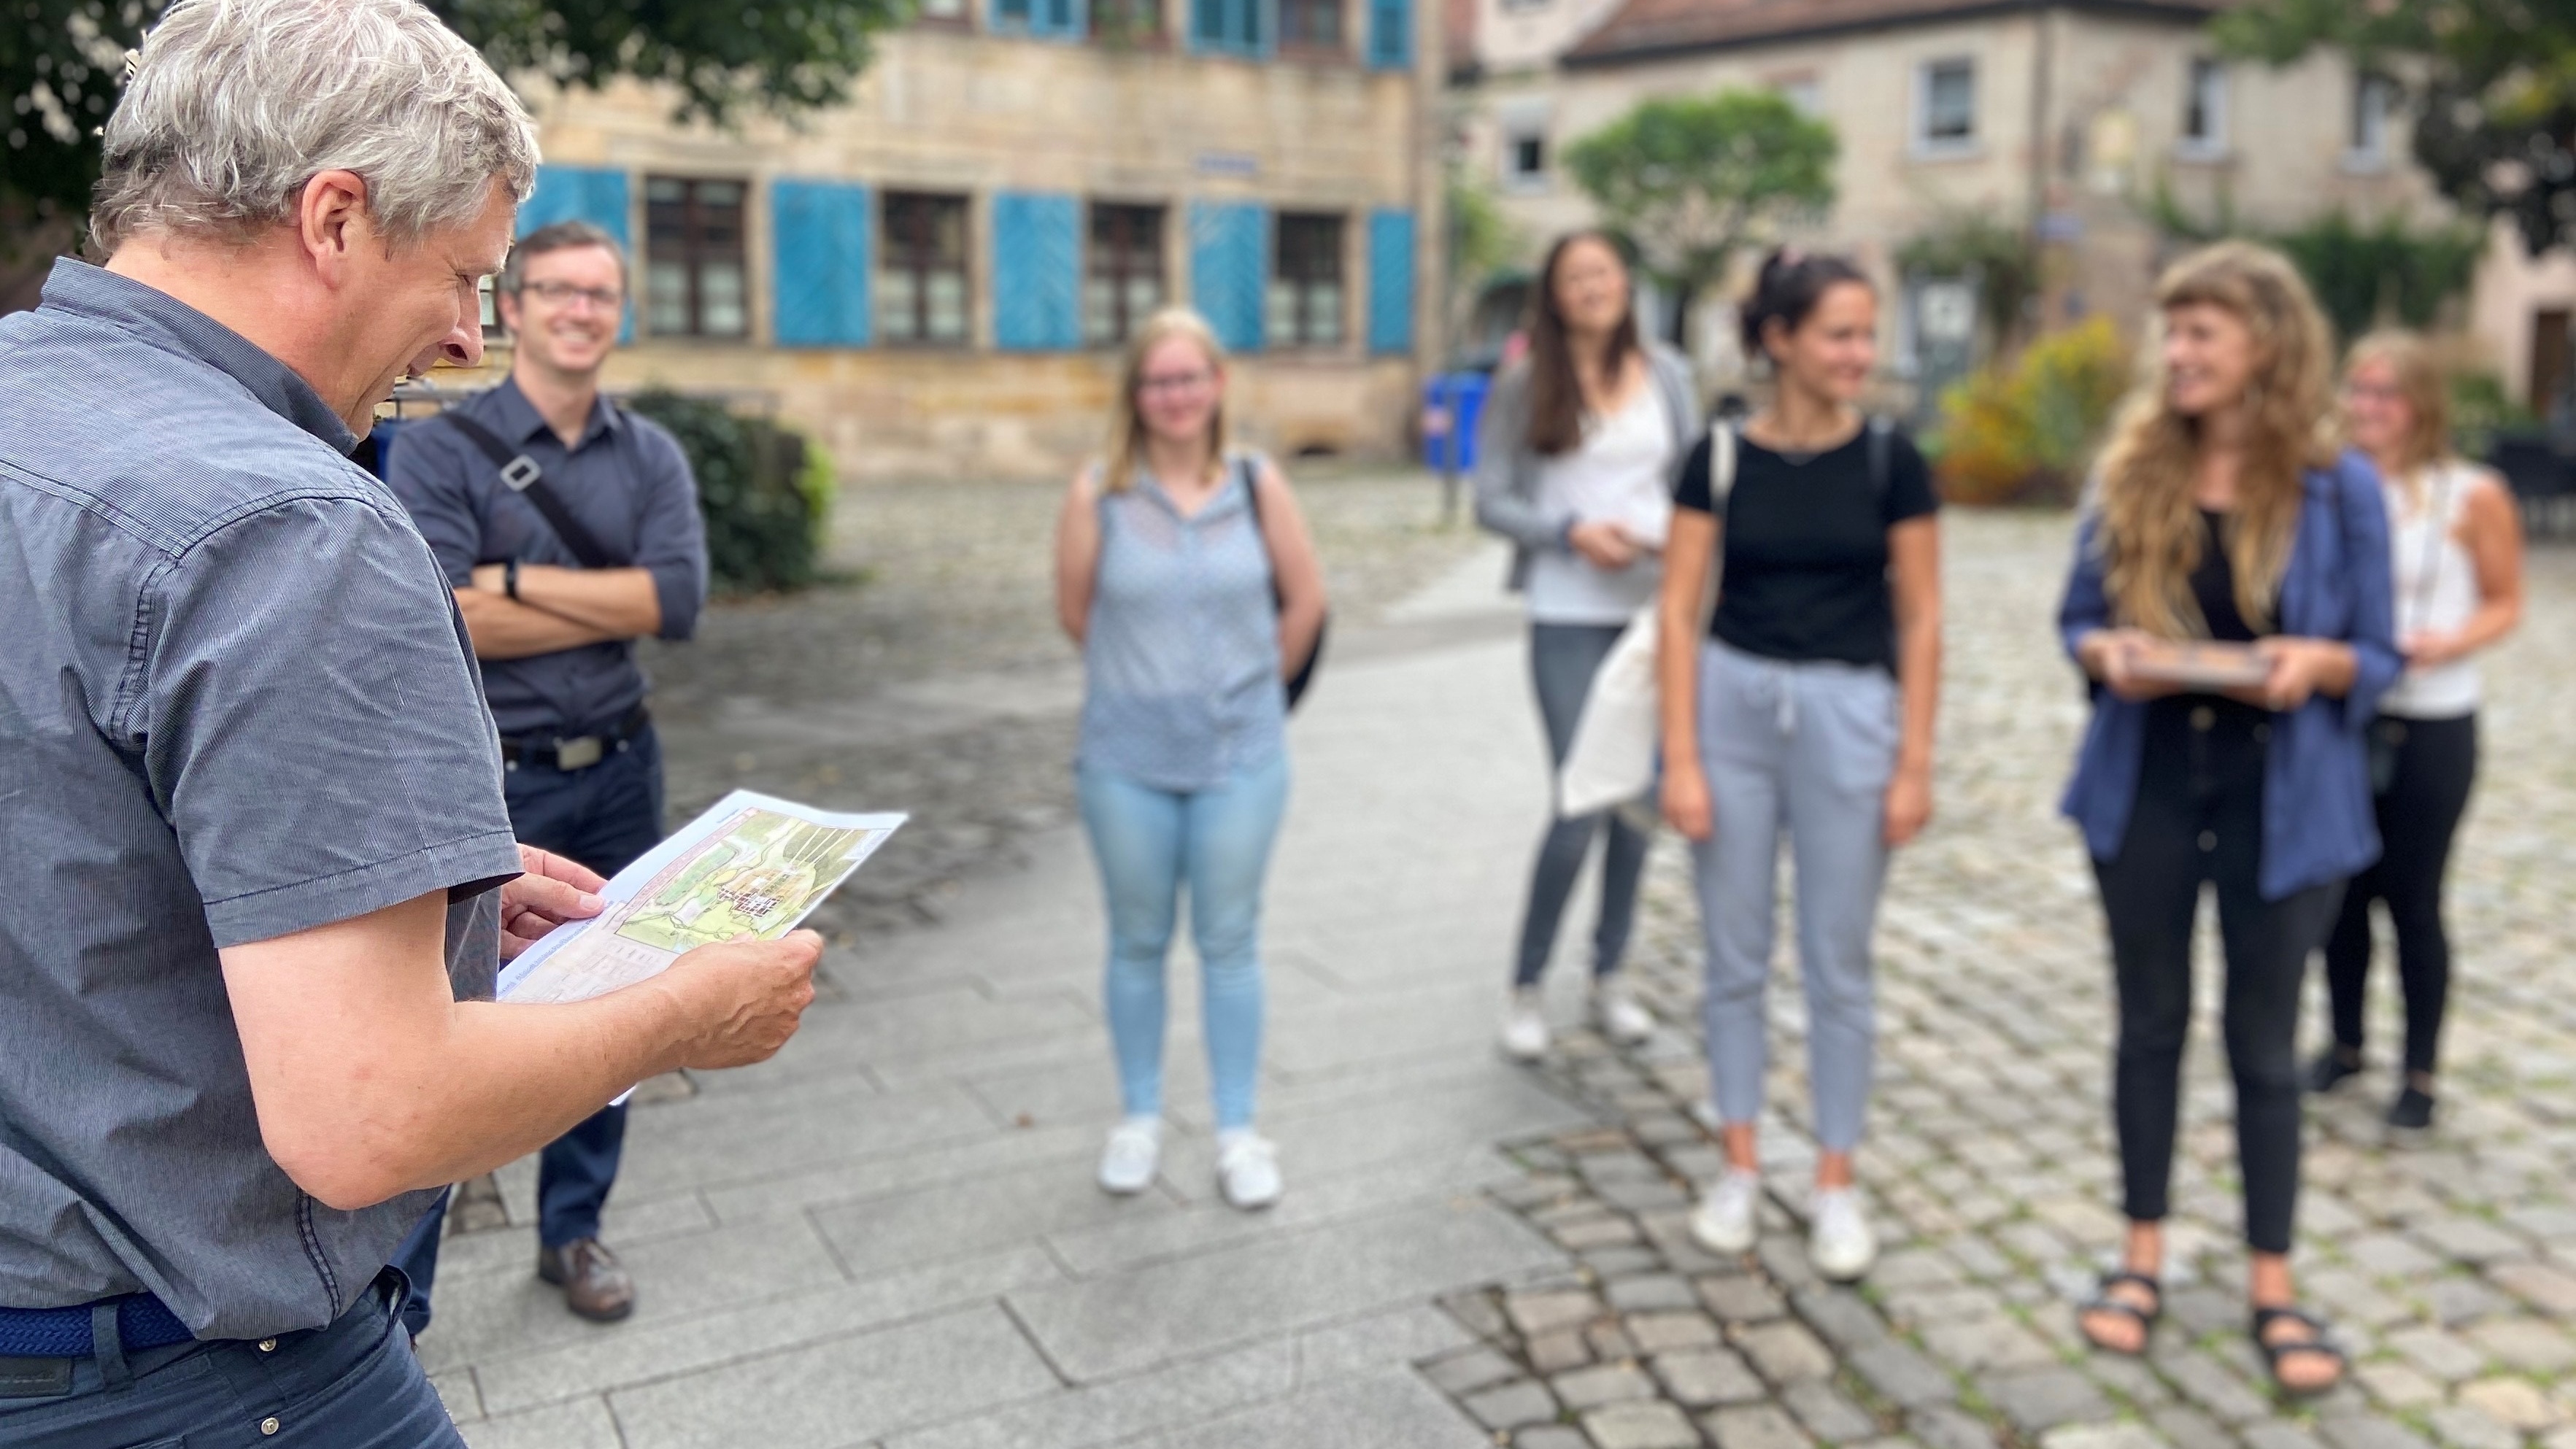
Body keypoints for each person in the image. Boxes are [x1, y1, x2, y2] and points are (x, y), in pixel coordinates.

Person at [0, 1, 820, 1442]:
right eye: (464, 276)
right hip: (202, 1372)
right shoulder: (295, 524)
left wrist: (413, 901)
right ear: (333, 218)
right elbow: (370, 1114)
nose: (464, 336)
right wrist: (688, 1015)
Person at [2059, 242, 2399, 1395]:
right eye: (2172, 331)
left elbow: (2379, 652)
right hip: (2146, 781)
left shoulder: (2337, 486)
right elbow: (2074, 619)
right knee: (2147, 1025)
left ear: (2266, 345)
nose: (2177, 352)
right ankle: (2139, 1253)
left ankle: (2271, 1279)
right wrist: (2105, 652)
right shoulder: (2129, 468)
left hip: (2284, 797)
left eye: (2201, 331)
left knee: (2263, 1043)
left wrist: (2319, 662)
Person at [385, 219, 709, 1327]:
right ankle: (403, 1290)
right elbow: (442, 617)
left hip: (619, 764)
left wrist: (513, 580)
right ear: (513, 308)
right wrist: (601, 598)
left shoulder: (650, 455)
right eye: (558, 290)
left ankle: (573, 1230)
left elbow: (676, 601)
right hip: (488, 784)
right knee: (444, 1020)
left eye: (600, 294)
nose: (580, 310)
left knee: (612, 1001)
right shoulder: (439, 450)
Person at [1655, 250, 1943, 1283]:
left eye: (1866, 333)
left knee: (1838, 961)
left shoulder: (1890, 462)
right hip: (1731, 711)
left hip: (1848, 715)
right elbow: (1677, 611)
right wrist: (1680, 758)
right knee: (1732, 956)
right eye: (1838, 334)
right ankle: (1737, 1163)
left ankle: (1833, 1179)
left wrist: (1913, 762)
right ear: (1778, 340)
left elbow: (1921, 616)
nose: (1859, 353)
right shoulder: (1717, 458)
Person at [1052, 308, 1327, 1209]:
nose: (1174, 396)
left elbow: (1305, 600)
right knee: (1136, 940)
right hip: (1125, 761)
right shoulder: (1097, 493)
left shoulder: (1256, 482)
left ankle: (1237, 1131)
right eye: (1157, 381)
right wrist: (1149, 684)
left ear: (1217, 385)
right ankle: (1137, 1118)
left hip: (1240, 757)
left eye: (1188, 378)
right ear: (1135, 393)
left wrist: (1250, 692)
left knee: (1230, 941)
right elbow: (1076, 613)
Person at [1472, 232, 1702, 1060]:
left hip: (1654, 612)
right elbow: (1491, 500)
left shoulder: (1668, 373)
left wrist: (1679, 546)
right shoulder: (1526, 381)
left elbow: (1695, 482)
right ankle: (1527, 985)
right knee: (1580, 799)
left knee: (1638, 805)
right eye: (1574, 277)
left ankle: (1611, 974)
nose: (1591, 287)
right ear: (1554, 295)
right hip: (1566, 609)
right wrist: (1570, 533)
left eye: (1602, 273)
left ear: (1625, 283)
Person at [2309, 332, 2525, 1131]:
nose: (2367, 407)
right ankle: (2344, 1043)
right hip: (2347, 712)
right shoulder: (2329, 484)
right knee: (2340, 894)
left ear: (2420, 403)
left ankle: (2420, 1068)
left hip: (2431, 718)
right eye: (2358, 389)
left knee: (2412, 898)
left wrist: (2450, 642)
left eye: (2385, 393)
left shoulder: (2471, 494)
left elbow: (2504, 601)